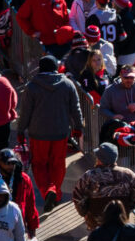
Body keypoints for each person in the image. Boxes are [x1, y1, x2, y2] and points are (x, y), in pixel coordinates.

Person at [14, 55, 84, 220]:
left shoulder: (32, 87)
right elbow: (76, 108)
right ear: (56, 67)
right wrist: (78, 128)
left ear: (40, 68)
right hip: (60, 133)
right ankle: (55, 191)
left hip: (38, 134)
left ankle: (47, 191)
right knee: (58, 164)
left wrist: (20, 131)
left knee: (39, 164)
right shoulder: (67, 84)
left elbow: (25, 112)